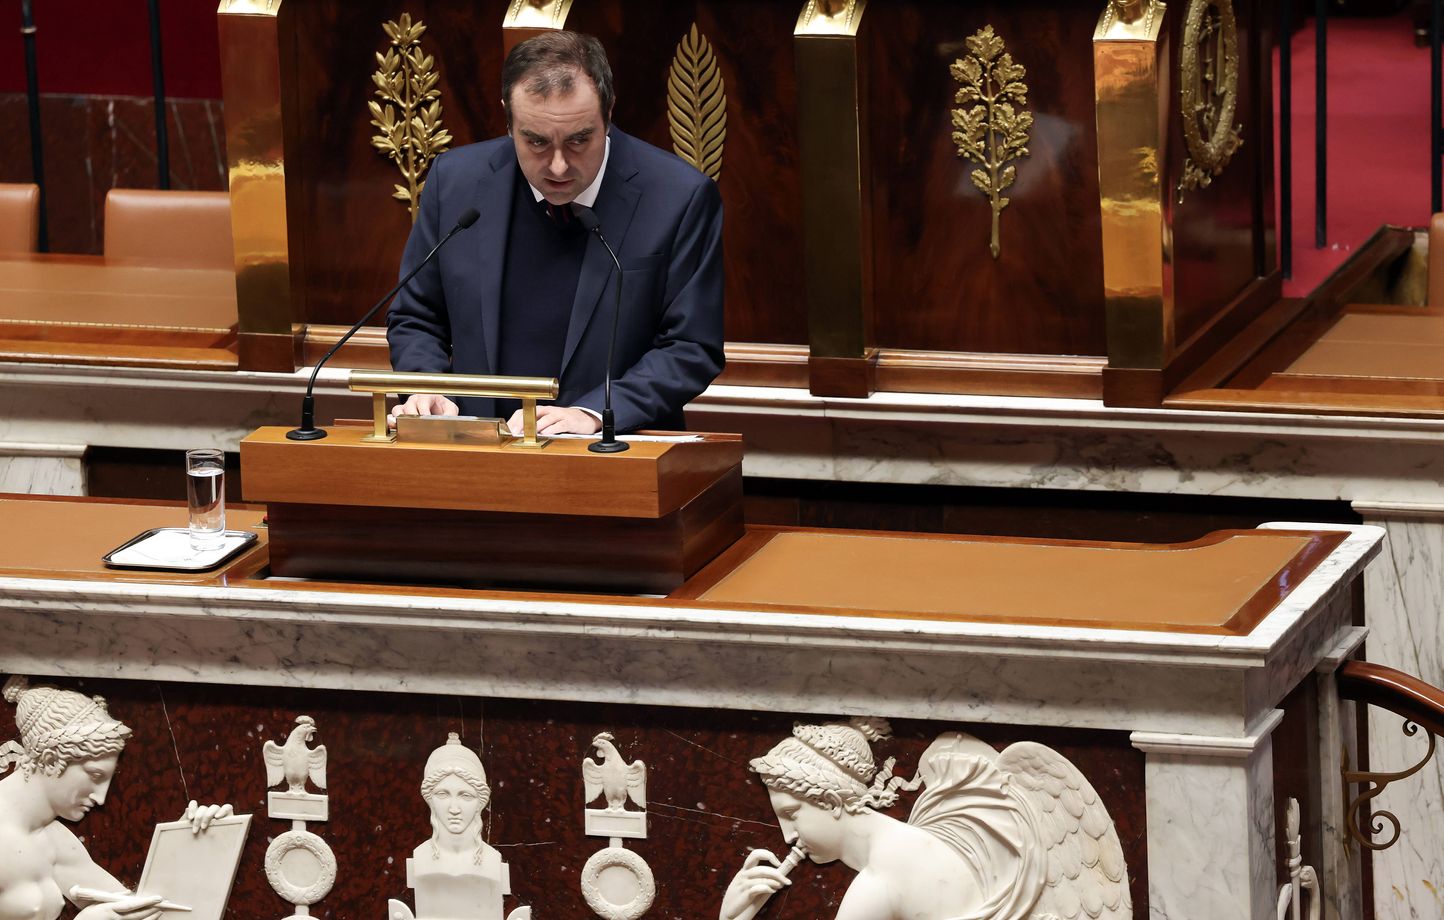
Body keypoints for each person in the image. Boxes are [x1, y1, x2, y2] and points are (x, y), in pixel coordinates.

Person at [387, 31, 725, 436]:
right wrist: (427, 386)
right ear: (508, 120)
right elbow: (417, 315)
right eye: (537, 142)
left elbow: (690, 345)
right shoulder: (455, 182)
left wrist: (595, 412)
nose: (559, 166)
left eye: (579, 140)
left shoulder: (679, 197)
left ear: (609, 112)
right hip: (478, 448)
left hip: (613, 451)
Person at [0, 676, 232, 920]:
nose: (101, 798)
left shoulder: (53, 840)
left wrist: (195, 840)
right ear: (50, 760)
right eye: (95, 775)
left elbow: (150, 913)